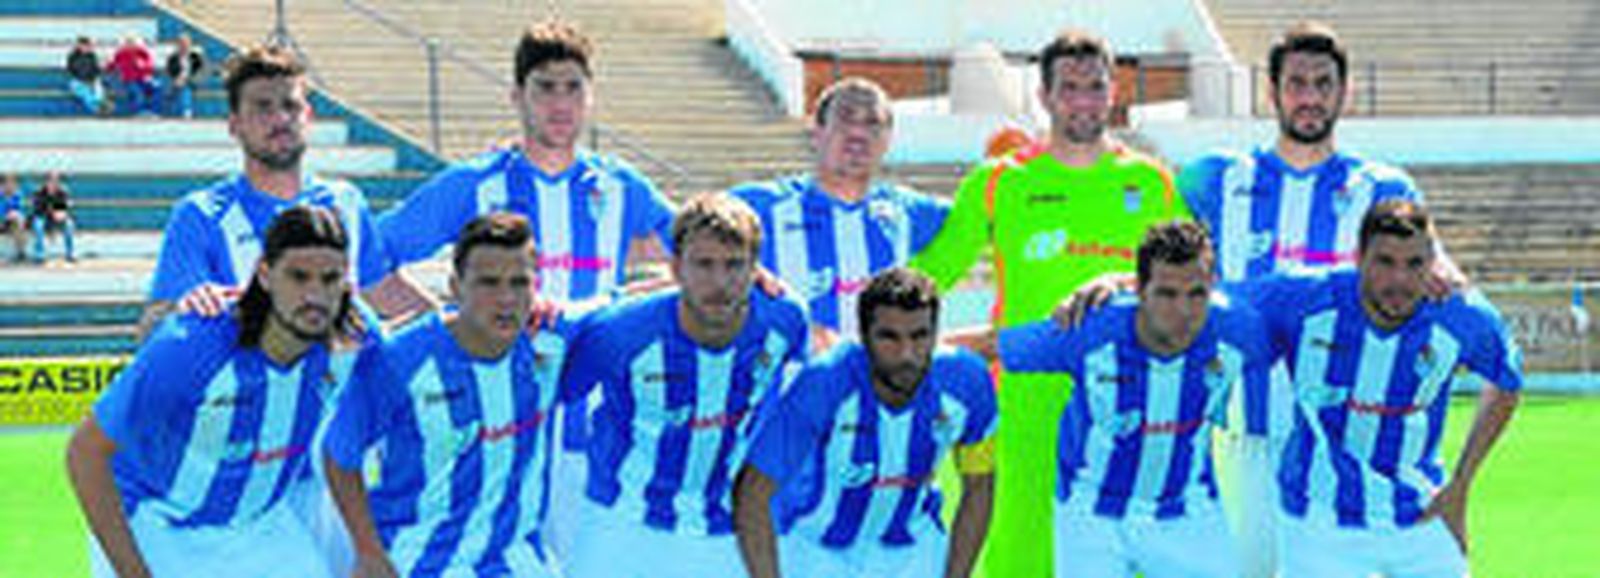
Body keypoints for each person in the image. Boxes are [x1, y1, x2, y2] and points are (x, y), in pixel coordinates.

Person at [374, 19, 678, 554]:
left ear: (590, 96)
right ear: (517, 96)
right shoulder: (474, 184)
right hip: (497, 425)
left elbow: (697, 255)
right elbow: (370, 259)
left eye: (573, 87)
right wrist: (446, 330)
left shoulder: (620, 187)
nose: (560, 102)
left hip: (595, 427)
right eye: (545, 87)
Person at [1175, 22, 1466, 577]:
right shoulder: (1214, 180)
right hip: (1247, 433)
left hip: (1346, 444)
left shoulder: (1383, 188)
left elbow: (1437, 269)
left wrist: (1445, 274)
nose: (1310, 97)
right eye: (1296, 84)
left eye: (1323, 84)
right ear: (1273, 92)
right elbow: (1151, 248)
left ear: (1343, 92)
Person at [906, 29, 1190, 576]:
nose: (1083, 101)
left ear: (1113, 92)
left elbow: (1193, 273)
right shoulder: (1000, 182)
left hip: (1125, 401)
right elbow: (931, 274)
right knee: (1021, 555)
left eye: (1095, 87)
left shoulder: (1151, 181)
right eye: (1069, 88)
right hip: (1024, 400)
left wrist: (1125, 280)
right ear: (1044, 96)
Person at [65, 205, 357, 578]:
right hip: (158, 525)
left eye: (330, 279)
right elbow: (86, 452)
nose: (314, 295)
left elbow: (415, 358)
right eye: (298, 277)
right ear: (265, 275)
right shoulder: (191, 344)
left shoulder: (351, 340)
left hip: (260, 528)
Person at [1234, 199, 1521, 578]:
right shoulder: (1303, 298)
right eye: (1385, 262)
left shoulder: (1461, 315)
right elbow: (1214, 305)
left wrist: (1461, 483)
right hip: (1318, 520)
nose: (1399, 279)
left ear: (1433, 264)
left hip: (1423, 511)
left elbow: (1507, 380)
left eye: (1414, 264)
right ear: (1359, 259)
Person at [999, 221, 1270, 578]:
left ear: (1213, 285)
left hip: (1189, 511)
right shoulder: (1091, 328)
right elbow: (995, 346)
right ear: (1140, 290)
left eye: (1197, 293)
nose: (1184, 310)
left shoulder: (1239, 326)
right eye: (1167, 294)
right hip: (1090, 513)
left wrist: (1117, 278)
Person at [560, 193, 809, 578]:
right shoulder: (621, 331)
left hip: (724, 530)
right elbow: (556, 393)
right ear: (676, 268)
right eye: (704, 264)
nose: (719, 282)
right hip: (621, 523)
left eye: (734, 265)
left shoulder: (785, 319)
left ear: (755, 269)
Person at [323, 213, 576, 578]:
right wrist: (368, 552)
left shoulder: (552, 340)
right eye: (489, 283)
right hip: (417, 560)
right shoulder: (401, 360)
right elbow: (339, 453)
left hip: (517, 560)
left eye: (519, 282)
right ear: (455, 286)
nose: (506, 298)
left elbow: (632, 310)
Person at [734, 267, 996, 578]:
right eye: (889, 337)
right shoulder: (824, 382)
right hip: (816, 549)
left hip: (913, 551)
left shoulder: (968, 382)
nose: (907, 354)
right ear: (864, 336)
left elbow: (979, 484)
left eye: (920, 336)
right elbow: (753, 490)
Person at [138, 44, 403, 340]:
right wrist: (181, 310)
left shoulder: (346, 202)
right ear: (234, 124)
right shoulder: (202, 214)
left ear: (308, 116)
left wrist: (442, 320)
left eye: (290, 106)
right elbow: (150, 327)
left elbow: (382, 290)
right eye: (263, 107)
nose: (280, 119)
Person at [729, 78, 949, 349]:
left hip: (876, 375)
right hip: (790, 375)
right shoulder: (761, 206)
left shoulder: (909, 211)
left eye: (873, 123)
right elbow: (687, 235)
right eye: (845, 120)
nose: (858, 133)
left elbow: (984, 213)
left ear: (888, 140)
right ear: (817, 131)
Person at [29, 170, 75, 264]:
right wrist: (52, 211)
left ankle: (70, 254)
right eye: (51, 180)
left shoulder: (63, 192)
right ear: (46, 181)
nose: (54, 183)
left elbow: (66, 207)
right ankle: (39, 255)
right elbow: (38, 208)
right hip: (42, 217)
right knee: (38, 225)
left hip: (58, 218)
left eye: (56, 180)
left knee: (69, 224)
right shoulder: (39, 192)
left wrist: (62, 213)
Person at [106, 35, 157, 116]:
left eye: (132, 42)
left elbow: (150, 66)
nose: (130, 45)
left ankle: (146, 110)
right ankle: (137, 112)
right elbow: (112, 65)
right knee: (137, 94)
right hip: (128, 80)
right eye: (128, 42)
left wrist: (143, 65)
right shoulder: (121, 53)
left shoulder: (142, 53)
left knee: (152, 89)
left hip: (142, 79)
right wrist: (109, 63)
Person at [164, 33, 205, 118]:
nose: (183, 45)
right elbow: (169, 70)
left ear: (189, 44)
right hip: (176, 81)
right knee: (170, 88)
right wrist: (176, 79)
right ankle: (180, 112)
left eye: (185, 43)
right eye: (181, 43)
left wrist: (186, 79)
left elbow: (201, 72)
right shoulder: (173, 57)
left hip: (191, 81)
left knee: (184, 89)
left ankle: (185, 111)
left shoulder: (195, 57)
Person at [65, 36, 107, 116]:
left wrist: (94, 78)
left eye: (88, 46)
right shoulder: (73, 56)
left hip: (91, 80)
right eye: (84, 45)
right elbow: (72, 70)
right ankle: (97, 108)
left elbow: (96, 69)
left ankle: (99, 104)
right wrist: (84, 79)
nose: (86, 47)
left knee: (98, 87)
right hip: (78, 81)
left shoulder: (92, 56)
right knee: (85, 92)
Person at [1, 174, 26, 262]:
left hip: (12, 222)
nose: (10, 185)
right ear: (3, 184)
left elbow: (23, 209)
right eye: (7, 183)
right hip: (2, 221)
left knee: (17, 224)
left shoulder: (18, 196)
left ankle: (20, 252)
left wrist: (16, 214)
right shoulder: (1, 196)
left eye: (12, 183)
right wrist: (4, 216)